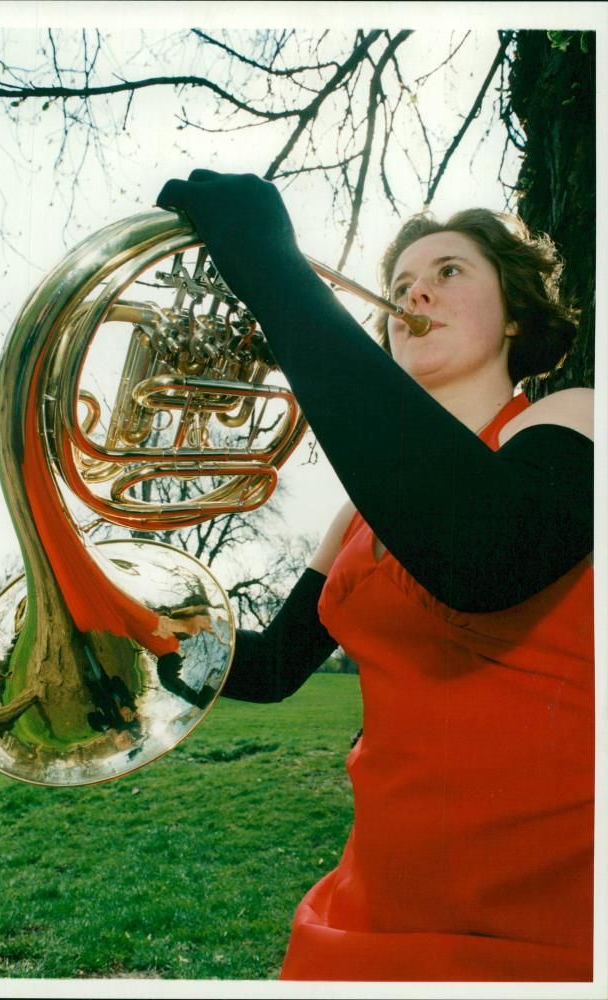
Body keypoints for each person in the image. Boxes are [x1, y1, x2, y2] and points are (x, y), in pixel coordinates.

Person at [155, 171, 594, 983]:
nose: (414, 293)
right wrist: (124, 622)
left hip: (549, 912)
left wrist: (274, 272)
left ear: (518, 317)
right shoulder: (360, 513)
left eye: (448, 272)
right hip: (375, 898)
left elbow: (484, 552)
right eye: (399, 284)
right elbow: (272, 667)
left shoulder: (577, 417)